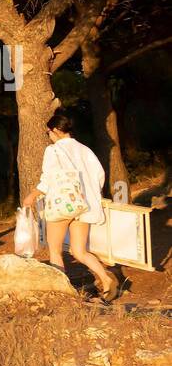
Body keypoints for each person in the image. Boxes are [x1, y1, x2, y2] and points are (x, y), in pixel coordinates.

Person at [22, 108, 119, 302]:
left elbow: (48, 178)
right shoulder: (85, 150)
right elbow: (99, 176)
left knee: (55, 250)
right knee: (79, 251)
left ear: (56, 130)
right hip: (84, 206)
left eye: (48, 132)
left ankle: (64, 294)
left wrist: (32, 195)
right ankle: (107, 280)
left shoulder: (54, 150)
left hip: (62, 205)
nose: (48, 136)